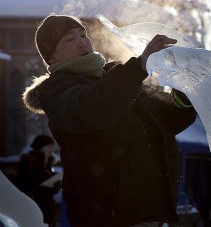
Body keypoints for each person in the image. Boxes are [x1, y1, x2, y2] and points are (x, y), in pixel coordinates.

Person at [22, 14, 197, 226]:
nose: (82, 41)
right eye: (70, 39)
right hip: (109, 217)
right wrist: (138, 66)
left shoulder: (117, 78)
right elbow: (94, 105)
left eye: (83, 34)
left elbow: (168, 121)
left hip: (153, 212)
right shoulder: (58, 93)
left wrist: (186, 89)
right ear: (51, 58)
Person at [14, 134, 61, 226]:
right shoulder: (29, 162)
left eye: (52, 146)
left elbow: (53, 190)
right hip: (35, 206)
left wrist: (55, 182)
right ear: (40, 147)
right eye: (48, 146)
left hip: (48, 209)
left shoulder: (48, 164)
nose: (51, 149)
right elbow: (26, 184)